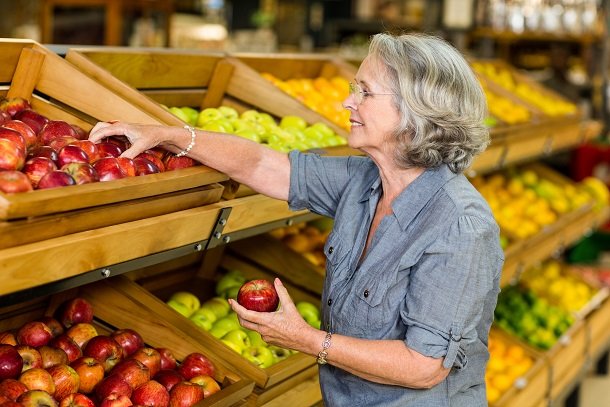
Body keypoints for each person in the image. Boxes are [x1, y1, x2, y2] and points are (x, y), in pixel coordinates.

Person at [89, 32, 504, 406]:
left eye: (365, 92)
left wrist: (305, 340)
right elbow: (261, 165)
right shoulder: (365, 182)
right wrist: (174, 136)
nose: (347, 102)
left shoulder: (460, 228)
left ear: (416, 112)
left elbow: (424, 365)